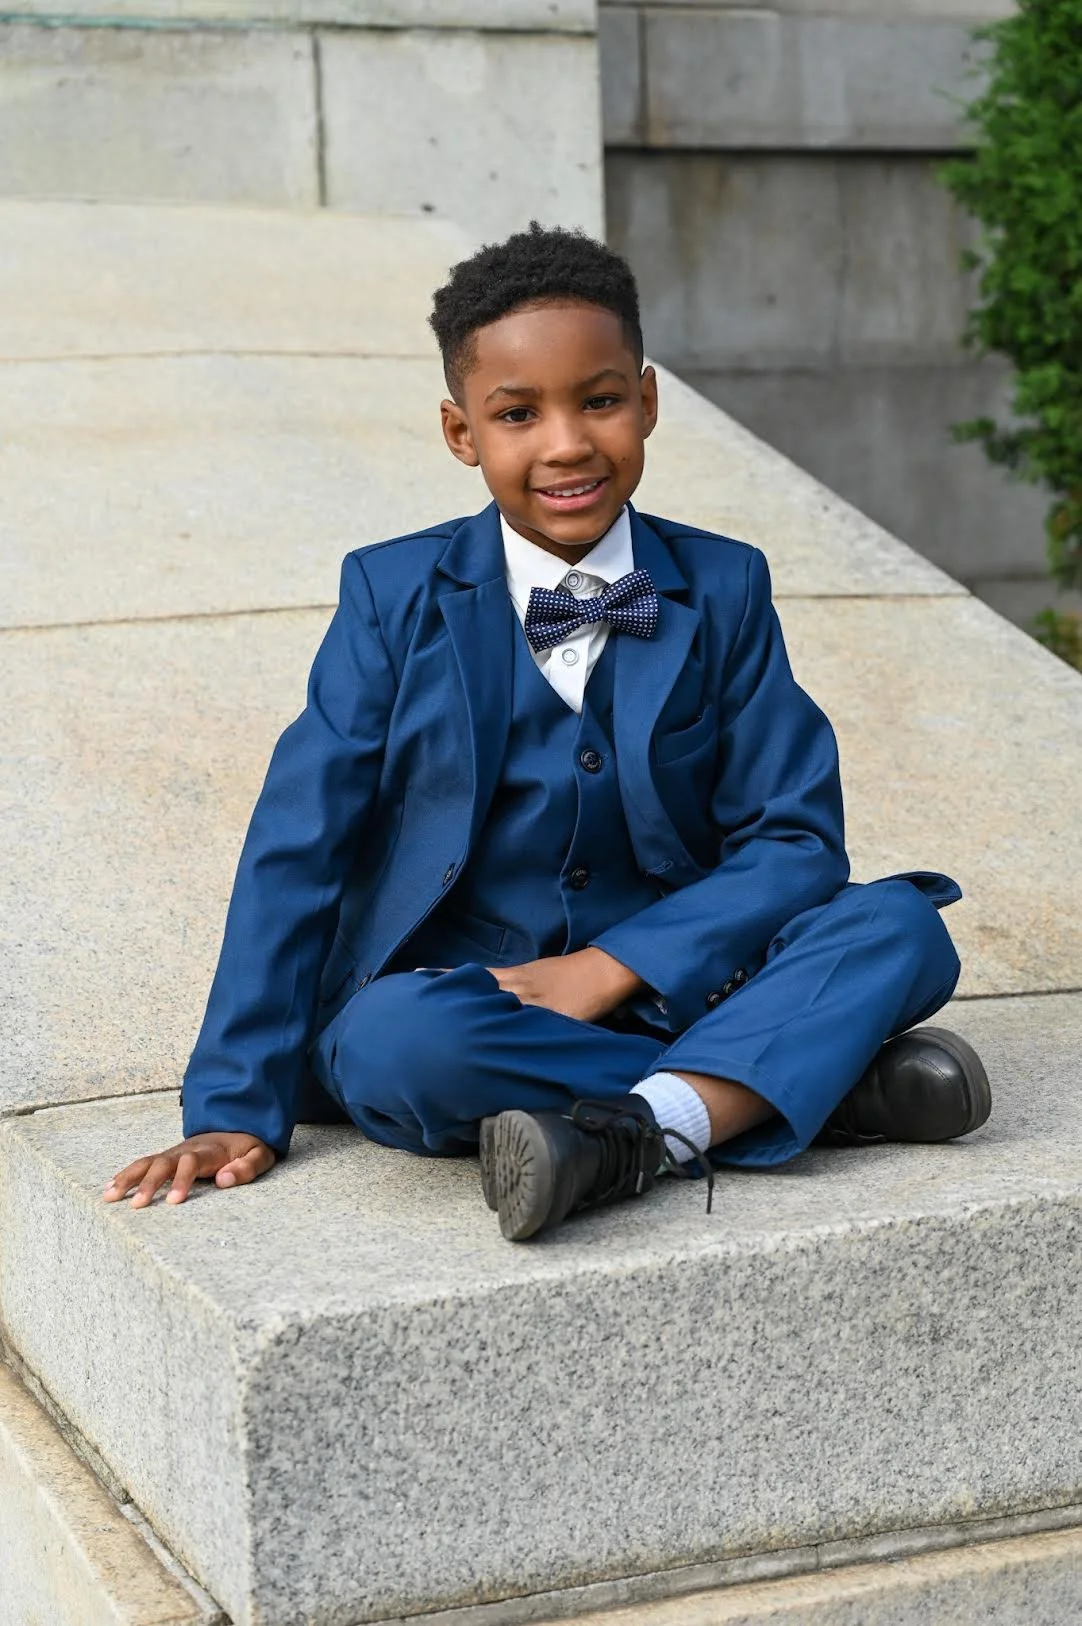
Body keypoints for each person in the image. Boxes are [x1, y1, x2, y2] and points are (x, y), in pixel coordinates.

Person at [104, 224, 990, 1240]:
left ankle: (631, 1132)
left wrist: (614, 969)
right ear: (460, 432)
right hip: (477, 1004)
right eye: (517, 414)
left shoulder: (724, 584)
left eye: (599, 400)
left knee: (899, 928)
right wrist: (229, 1107)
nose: (566, 443)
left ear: (646, 401)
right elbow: (296, 847)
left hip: (685, 986)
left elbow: (793, 840)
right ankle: (812, 1088)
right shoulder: (391, 596)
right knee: (392, 1044)